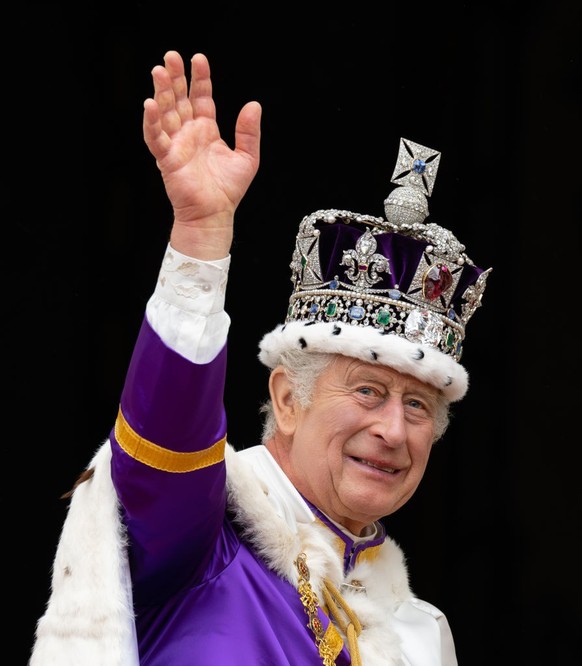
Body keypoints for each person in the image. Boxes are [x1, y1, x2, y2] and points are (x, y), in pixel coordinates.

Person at [29, 51, 491, 666]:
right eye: (367, 392)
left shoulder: (422, 636)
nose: (393, 430)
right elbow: (166, 434)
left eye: (417, 404)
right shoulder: (205, 536)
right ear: (287, 399)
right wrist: (200, 238)